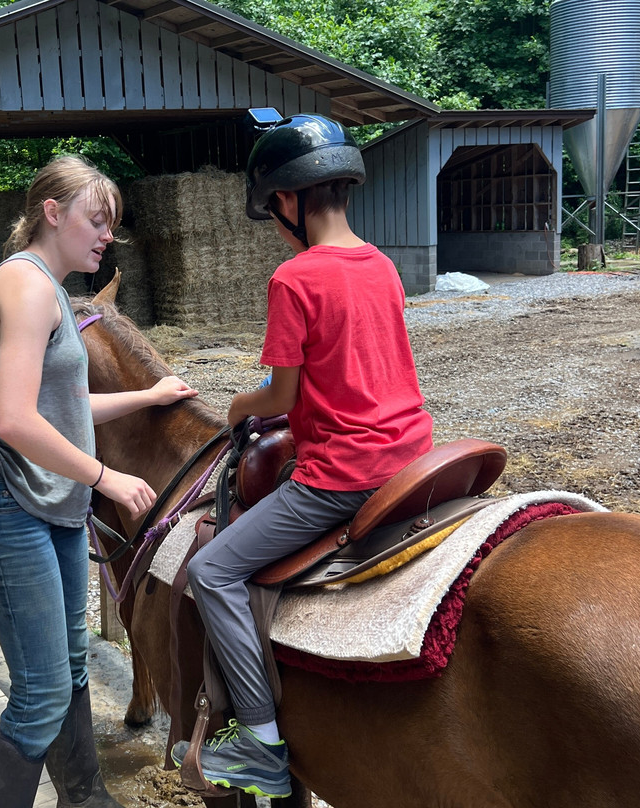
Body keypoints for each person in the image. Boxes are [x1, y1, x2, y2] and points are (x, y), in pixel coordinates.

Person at [170, 111, 435, 799]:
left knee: (215, 569)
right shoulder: (380, 264)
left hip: (343, 476)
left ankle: (258, 746)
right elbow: (348, 368)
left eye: (274, 206)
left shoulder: (294, 279)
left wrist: (236, 408)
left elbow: (280, 393)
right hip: (412, 455)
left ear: (286, 201)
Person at [0, 154, 198, 808]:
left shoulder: (53, 289)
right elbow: (15, 421)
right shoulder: (26, 287)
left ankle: (85, 798)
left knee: (73, 666)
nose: (107, 234)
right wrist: (106, 475)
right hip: (7, 505)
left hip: (49, 508)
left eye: (111, 223)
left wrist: (148, 397)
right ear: (51, 214)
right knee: (39, 694)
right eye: (97, 219)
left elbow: (62, 407)